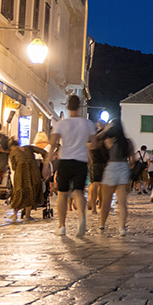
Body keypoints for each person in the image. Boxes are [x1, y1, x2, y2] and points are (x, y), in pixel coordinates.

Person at [49, 95, 97, 237]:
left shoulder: (61, 124)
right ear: (79, 106)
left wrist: (47, 162)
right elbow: (94, 145)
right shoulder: (88, 124)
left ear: (68, 106)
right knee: (78, 192)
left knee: (62, 195)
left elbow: (52, 144)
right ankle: (82, 219)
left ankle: (62, 226)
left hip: (65, 161)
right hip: (81, 161)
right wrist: (82, 144)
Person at [96, 119, 133, 235]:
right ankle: (122, 227)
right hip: (123, 168)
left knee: (106, 201)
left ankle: (102, 225)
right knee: (122, 201)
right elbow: (133, 160)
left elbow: (96, 139)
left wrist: (105, 129)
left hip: (111, 167)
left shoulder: (109, 140)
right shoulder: (127, 142)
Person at [8, 140, 47, 222]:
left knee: (19, 192)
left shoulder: (12, 152)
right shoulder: (29, 147)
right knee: (31, 191)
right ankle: (27, 215)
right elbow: (43, 152)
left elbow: (14, 166)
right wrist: (44, 161)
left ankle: (15, 214)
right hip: (33, 171)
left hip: (20, 173)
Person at [87, 122, 108, 215]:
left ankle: (97, 206)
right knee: (98, 185)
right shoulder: (100, 136)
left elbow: (88, 149)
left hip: (97, 162)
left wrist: (91, 160)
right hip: (99, 162)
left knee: (97, 185)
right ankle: (96, 206)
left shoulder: (95, 137)